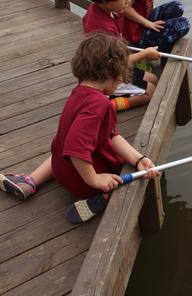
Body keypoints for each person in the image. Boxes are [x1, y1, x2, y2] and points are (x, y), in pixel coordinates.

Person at [0, 34, 160, 224]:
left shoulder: (79, 91)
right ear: (111, 69)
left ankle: (30, 182)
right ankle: (104, 196)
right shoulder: (100, 104)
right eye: (121, 75)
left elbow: (105, 135)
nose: (121, 80)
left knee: (61, 147)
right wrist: (94, 179)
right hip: (83, 181)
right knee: (123, 178)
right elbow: (77, 147)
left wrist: (139, 159)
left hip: (62, 169)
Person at [83, 0, 160, 111]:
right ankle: (107, 105)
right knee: (149, 90)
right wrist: (144, 54)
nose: (129, 1)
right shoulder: (102, 28)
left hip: (113, 70)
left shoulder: (108, 10)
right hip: (103, 78)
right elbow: (113, 63)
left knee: (153, 78)